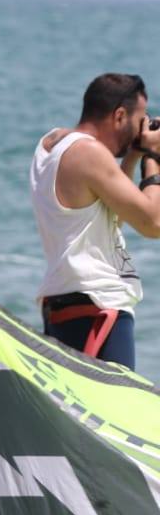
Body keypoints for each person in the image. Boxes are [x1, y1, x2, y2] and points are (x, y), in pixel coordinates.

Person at [32, 72, 160, 370]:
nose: (139, 129)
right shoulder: (88, 153)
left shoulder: (52, 145)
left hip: (66, 305)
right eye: (138, 120)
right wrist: (153, 157)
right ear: (119, 116)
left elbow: (110, 217)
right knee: (117, 400)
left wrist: (133, 156)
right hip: (99, 309)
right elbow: (152, 223)